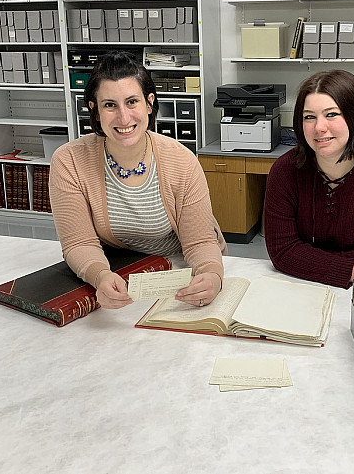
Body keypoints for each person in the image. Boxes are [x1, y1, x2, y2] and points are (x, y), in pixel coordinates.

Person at [49, 51, 226, 310]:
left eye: (132, 102)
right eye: (110, 105)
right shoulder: (69, 161)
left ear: (149, 103)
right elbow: (79, 243)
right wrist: (100, 276)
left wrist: (212, 276)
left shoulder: (181, 161)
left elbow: (199, 243)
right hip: (119, 274)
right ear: (94, 110)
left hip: (178, 272)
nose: (123, 117)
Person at [263, 70, 354, 289]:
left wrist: (306, 259)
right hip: (301, 285)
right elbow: (282, 250)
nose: (319, 127)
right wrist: (351, 269)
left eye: (331, 114)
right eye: (309, 117)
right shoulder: (285, 171)